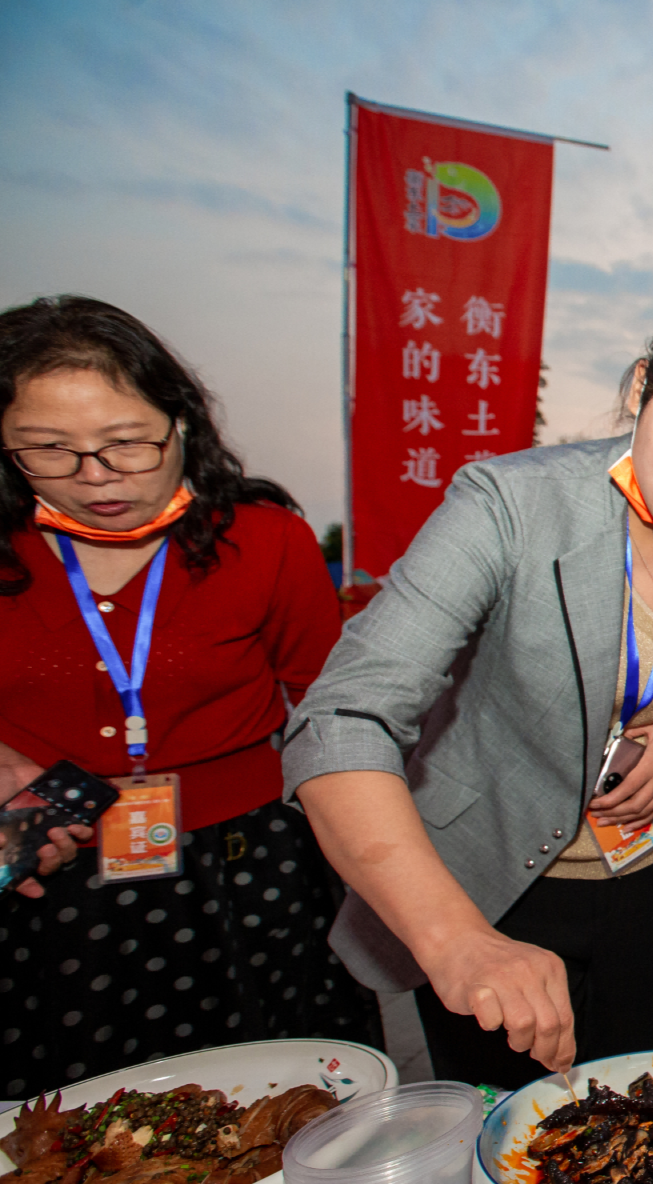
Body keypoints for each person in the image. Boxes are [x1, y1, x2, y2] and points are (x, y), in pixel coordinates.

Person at [285, 284, 653, 1084]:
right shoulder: (507, 505)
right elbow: (341, 717)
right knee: (513, 1146)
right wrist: (454, 938)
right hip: (498, 887)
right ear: (644, 386)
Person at [0, 295, 379, 1097]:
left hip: (246, 871)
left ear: (182, 425)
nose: (97, 477)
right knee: (73, 1121)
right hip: (48, 872)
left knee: (283, 1102)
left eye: (127, 445)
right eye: (50, 451)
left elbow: (333, 705)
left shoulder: (262, 537)